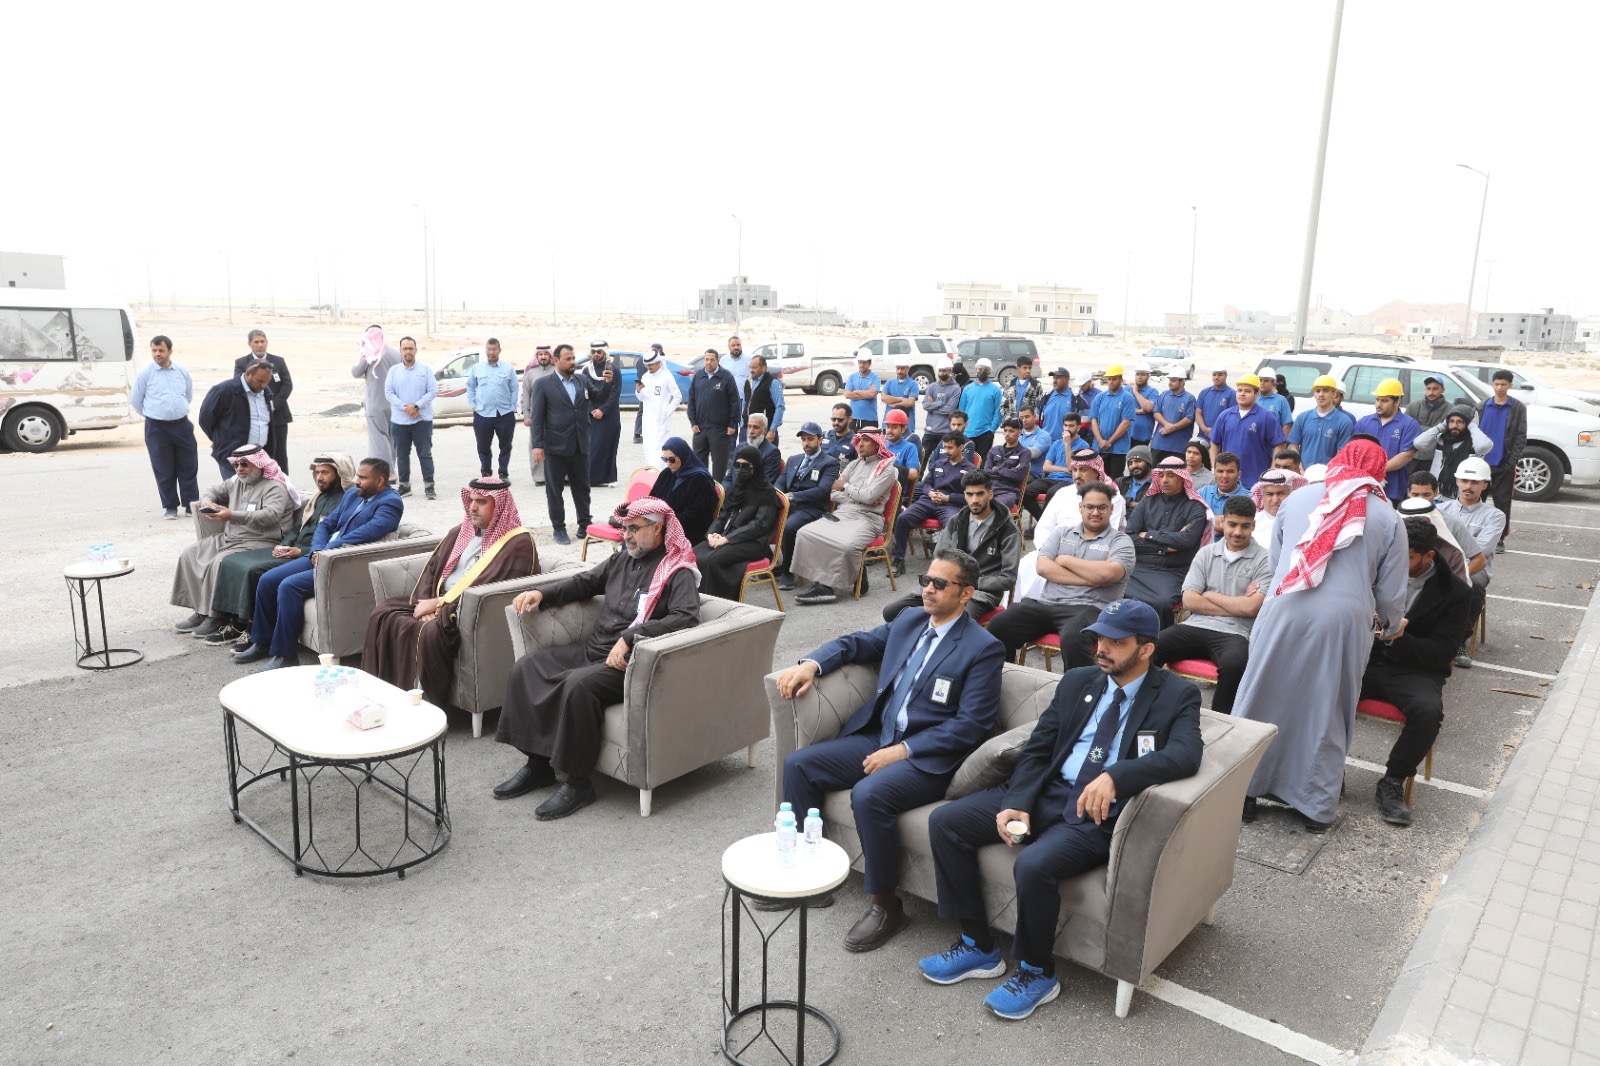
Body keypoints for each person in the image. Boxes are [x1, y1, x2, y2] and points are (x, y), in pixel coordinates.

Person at [919, 598, 1201, 1020]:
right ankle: (978, 946)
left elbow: (1186, 755)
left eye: (1116, 642)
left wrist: (1118, 775)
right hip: (1048, 790)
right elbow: (1039, 748)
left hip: (1098, 812)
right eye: (1099, 638)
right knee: (946, 821)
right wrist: (1018, 802)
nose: (1102, 648)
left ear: (1146, 649)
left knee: (1033, 865)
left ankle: (1038, 972)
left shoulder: (1177, 694)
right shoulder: (1077, 681)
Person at [776, 548, 1006, 952]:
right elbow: (856, 644)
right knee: (798, 765)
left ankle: (886, 905)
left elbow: (971, 725)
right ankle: (806, 875)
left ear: (966, 593)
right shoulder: (909, 620)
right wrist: (811, 664)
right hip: (878, 736)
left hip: (929, 758)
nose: (928, 589)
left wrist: (904, 750)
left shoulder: (983, 648)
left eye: (940, 584)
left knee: (870, 795)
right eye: (925, 580)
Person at [1232, 438, 1409, 832]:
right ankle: (1313, 807)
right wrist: (1391, 625)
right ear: (1379, 470)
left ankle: (1244, 793)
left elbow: (1278, 561)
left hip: (1283, 608)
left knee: (1261, 696)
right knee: (1326, 709)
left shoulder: (1297, 499)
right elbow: (1390, 592)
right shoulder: (1387, 516)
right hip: (1342, 622)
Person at [494, 498, 702, 817]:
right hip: (594, 650)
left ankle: (579, 783)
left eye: (634, 529)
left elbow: (686, 616)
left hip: (631, 663)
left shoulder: (677, 570)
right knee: (527, 668)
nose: (626, 536)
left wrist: (631, 637)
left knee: (579, 686)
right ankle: (538, 765)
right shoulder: (622, 559)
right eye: (624, 529)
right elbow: (586, 582)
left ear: (659, 528)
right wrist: (542, 594)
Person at [362, 478, 538, 705]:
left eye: (481, 502)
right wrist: (425, 601)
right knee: (383, 612)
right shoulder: (460, 532)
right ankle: (383, 693)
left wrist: (440, 604)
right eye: (471, 500)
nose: (472, 507)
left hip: (465, 611)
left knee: (428, 632)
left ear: (500, 506)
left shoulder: (518, 543)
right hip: (439, 602)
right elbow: (432, 569)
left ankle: (423, 704)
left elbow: (492, 586)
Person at [233, 457, 403, 671]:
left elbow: (369, 532)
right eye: (357, 475)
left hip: (343, 564)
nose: (356, 481)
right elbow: (326, 525)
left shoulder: (391, 502)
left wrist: (328, 549)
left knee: (289, 586)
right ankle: (262, 642)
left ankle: (285, 656)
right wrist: (316, 550)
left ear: (380, 481)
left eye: (362, 477)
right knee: (267, 580)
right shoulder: (353, 494)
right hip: (321, 555)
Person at [1360, 519, 1476, 826]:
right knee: (1321, 687)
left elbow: (1442, 652)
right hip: (1366, 660)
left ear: (1429, 555)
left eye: (1408, 557)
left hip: (1413, 670)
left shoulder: (1456, 592)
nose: (1397, 562)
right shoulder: (1375, 571)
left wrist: (1398, 638)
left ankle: (1392, 781)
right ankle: (1324, 768)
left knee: (1427, 712)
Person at [205, 453, 354, 649]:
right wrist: (283, 544)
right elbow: (297, 527)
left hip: (307, 554)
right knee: (232, 561)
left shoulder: (346, 501)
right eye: (317, 473)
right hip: (290, 548)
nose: (319, 477)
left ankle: (250, 630)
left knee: (254, 571)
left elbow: (335, 538)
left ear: (340, 473)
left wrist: (299, 551)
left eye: (325, 473)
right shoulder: (318, 497)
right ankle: (233, 621)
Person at [985, 483, 1136, 668]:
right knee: (999, 624)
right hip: (1047, 603)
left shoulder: (1121, 542)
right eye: (1089, 507)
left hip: (1090, 608)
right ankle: (1001, 676)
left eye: (1102, 507)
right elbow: (1043, 568)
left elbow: (1107, 575)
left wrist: (1065, 560)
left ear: (1111, 509)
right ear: (1081, 507)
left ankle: (1077, 686)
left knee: (1074, 639)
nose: (1095, 512)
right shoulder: (1062, 533)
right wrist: (1092, 578)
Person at [1151, 495, 1270, 713]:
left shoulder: (1264, 559)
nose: (1238, 532)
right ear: (1222, 521)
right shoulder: (1206, 553)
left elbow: (1251, 608)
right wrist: (1238, 603)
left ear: (1253, 525)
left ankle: (1223, 722)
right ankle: (1147, 709)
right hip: (1195, 625)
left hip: (1236, 632)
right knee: (1148, 649)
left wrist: (1210, 595)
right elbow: (1189, 601)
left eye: (1245, 526)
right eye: (1232, 524)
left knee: (1235, 664)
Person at [171, 445, 298, 635]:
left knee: (220, 562)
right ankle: (200, 610)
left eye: (245, 464)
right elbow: (211, 490)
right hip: (231, 538)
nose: (239, 469)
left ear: (259, 464)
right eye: (236, 465)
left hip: (262, 541)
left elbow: (270, 516)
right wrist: (207, 501)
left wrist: (231, 515)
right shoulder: (236, 482)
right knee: (191, 553)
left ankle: (216, 617)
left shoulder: (275, 486)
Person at [882, 470, 1019, 624]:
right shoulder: (957, 521)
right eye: (970, 494)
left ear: (990, 494)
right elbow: (939, 557)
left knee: (953, 621)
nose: (975, 500)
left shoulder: (1008, 530)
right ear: (964, 495)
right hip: (944, 585)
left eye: (980, 494)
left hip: (979, 593)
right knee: (892, 612)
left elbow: (1008, 578)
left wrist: (969, 583)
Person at [792, 428, 898, 604]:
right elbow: (833, 493)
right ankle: (826, 580)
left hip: (868, 518)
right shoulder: (854, 464)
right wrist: (861, 496)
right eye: (859, 440)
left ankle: (828, 586)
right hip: (843, 512)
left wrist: (848, 487)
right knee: (805, 533)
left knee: (846, 545)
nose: (860, 444)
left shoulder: (887, 469)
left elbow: (866, 496)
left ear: (877, 444)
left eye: (866, 440)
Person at [529, 343, 614, 545]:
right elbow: (537, 417)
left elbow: (599, 397)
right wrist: (537, 445)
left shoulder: (581, 380)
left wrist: (607, 384)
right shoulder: (543, 384)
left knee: (582, 488)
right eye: (568, 359)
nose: (572, 362)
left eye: (573, 358)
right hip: (555, 447)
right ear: (556, 360)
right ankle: (559, 528)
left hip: (580, 444)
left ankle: (584, 525)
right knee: (555, 490)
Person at [1123, 456, 1210, 624]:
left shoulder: (1195, 507)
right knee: (1112, 590)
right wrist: (1164, 547)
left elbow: (1187, 541)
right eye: (1161, 475)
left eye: (1170, 475)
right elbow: (1130, 537)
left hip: (1173, 571)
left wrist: (1148, 534)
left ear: (1182, 477)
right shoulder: (1147, 502)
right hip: (1138, 568)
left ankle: (1157, 640)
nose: (1164, 480)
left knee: (1161, 603)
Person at [694, 446, 779, 600]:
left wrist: (727, 539)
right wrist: (711, 534)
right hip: (728, 535)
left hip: (754, 542)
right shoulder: (737, 488)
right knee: (693, 554)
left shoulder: (767, 493)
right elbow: (722, 515)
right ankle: (694, 599)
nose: (741, 470)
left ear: (756, 466)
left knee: (712, 560)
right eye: (738, 465)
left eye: (746, 466)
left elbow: (759, 525)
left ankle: (718, 603)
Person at [131, 334, 200, 519]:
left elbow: (188, 395)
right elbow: (136, 400)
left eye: (161, 350)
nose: (157, 354)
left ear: (170, 351)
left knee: (188, 466)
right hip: (157, 428)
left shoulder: (181, 371)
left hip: (182, 425)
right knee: (163, 468)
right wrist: (155, 414)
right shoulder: (145, 374)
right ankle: (170, 507)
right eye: (154, 350)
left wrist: (175, 411)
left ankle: (190, 505)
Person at [1448, 457, 1505, 668]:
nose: (1468, 486)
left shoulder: (1495, 516)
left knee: (1474, 585)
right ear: (1457, 481)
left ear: (1485, 485)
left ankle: (1460, 641)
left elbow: (1481, 550)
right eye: (1464, 481)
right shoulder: (1442, 508)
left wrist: (1452, 540)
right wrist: (1469, 540)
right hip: (1443, 563)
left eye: (1474, 482)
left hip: (1476, 566)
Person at [890, 434, 975, 576]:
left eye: (950, 448)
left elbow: (970, 496)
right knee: (903, 518)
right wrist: (930, 493)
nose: (946, 451)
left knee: (953, 524)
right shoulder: (938, 464)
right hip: (929, 501)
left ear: (961, 447)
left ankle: (949, 564)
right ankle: (898, 559)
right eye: (945, 447)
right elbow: (926, 484)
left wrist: (948, 498)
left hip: (951, 505)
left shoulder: (970, 470)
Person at [774, 422, 841, 592]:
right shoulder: (794, 459)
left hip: (812, 509)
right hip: (788, 504)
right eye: (803, 439)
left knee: (789, 527)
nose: (806, 443)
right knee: (759, 516)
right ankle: (770, 562)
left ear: (820, 440)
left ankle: (788, 571)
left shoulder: (830, 463)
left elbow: (822, 491)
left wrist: (793, 496)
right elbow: (780, 481)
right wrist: (780, 495)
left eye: (810, 439)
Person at [627, 437, 719, 546]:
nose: (668, 464)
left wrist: (662, 523)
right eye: (665, 459)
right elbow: (652, 499)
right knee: (633, 531)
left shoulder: (700, 479)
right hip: (662, 525)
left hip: (689, 530)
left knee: (642, 536)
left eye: (672, 460)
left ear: (683, 456)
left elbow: (695, 515)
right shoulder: (667, 474)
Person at [197, 361, 278, 481]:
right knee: (238, 490)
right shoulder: (224, 390)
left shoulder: (265, 392)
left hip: (260, 456)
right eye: (260, 381)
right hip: (233, 456)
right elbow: (205, 419)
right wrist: (220, 440)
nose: (263, 385)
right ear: (248, 373)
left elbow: (267, 423)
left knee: (259, 491)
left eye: (267, 382)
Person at [1477, 369, 1527, 552]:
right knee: (1476, 500)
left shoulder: (1517, 408)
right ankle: (1476, 534)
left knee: (1502, 503)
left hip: (1503, 464)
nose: (1499, 387)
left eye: (1503, 384)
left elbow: (1521, 436)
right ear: (1492, 384)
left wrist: (1511, 462)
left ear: (1510, 385)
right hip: (1480, 465)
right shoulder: (1481, 407)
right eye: (1497, 384)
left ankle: (1499, 538)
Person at [1208, 374, 1286, 489]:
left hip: (1255, 482)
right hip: (1228, 481)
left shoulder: (1266, 416)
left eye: (1247, 391)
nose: (1242, 394)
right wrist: (1214, 468)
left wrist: (1273, 469)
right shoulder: (1225, 415)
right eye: (1239, 390)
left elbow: (1280, 443)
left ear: (1256, 394)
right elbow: (1214, 443)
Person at [384, 335, 438, 499]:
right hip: (400, 422)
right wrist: (405, 407)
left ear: (415, 350)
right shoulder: (393, 371)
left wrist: (416, 406)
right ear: (400, 351)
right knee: (401, 455)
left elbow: (432, 391)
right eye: (405, 349)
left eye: (410, 348)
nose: (408, 351)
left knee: (425, 454)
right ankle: (405, 486)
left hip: (422, 420)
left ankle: (429, 486)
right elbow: (389, 393)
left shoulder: (425, 370)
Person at [232, 330, 294, 470]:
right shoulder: (242, 363)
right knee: (253, 456)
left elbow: (287, 385)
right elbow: (238, 387)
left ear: (267, 342)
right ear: (249, 344)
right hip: (253, 419)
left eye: (262, 341)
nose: (259, 345)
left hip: (277, 417)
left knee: (279, 455)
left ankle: (281, 482)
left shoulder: (278, 361)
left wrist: (274, 405)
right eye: (256, 342)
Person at [1353, 379, 1422, 502]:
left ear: (1397, 401)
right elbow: (1354, 452)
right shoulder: (1364, 422)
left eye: (1384, 401)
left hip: (1393, 490)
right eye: (1377, 400)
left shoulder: (1410, 425)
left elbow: (1406, 455)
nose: (1379, 404)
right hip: (1362, 488)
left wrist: (1377, 471)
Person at [465, 337, 518, 481]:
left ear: (499, 350)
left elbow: (514, 388)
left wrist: (512, 407)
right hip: (483, 414)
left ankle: (503, 472)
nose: (491, 352)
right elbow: (470, 386)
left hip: (504, 414)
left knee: (505, 446)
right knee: (483, 446)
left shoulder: (508, 368)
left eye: (494, 349)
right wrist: (473, 403)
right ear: (486, 350)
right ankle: (486, 473)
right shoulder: (477, 368)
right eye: (489, 349)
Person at [1412, 404, 1492, 496]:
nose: (1454, 425)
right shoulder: (1442, 439)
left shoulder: (1474, 442)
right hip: (1437, 493)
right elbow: (1418, 443)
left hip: (1461, 495)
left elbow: (1484, 447)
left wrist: (1473, 426)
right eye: (1451, 421)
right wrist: (1441, 426)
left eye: (1459, 422)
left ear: (1467, 423)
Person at [351, 325, 401, 466]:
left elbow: (355, 372)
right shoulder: (395, 354)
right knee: (392, 438)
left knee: (379, 438)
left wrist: (363, 355)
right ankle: (391, 467)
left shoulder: (370, 354)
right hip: (394, 403)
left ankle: (387, 471)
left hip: (376, 404)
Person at [687, 348, 740, 482]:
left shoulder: (726, 377)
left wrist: (732, 424)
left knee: (719, 465)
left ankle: (718, 491)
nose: (708, 363)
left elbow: (734, 402)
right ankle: (703, 489)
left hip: (720, 430)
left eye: (712, 360)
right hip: (700, 429)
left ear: (718, 361)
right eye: (706, 359)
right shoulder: (698, 376)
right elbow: (691, 400)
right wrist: (693, 422)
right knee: (699, 465)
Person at [1288, 375, 1356, 469]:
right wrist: (1301, 470)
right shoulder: (1302, 417)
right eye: (1318, 391)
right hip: (1302, 472)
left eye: (1326, 391)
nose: (1321, 394)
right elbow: (1293, 446)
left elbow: (1341, 454)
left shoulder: (1344, 422)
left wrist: (1323, 472)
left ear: (1334, 394)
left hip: (1328, 474)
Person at [634, 345, 682, 469]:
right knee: (648, 449)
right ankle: (651, 474)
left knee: (660, 450)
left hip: (661, 420)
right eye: (647, 365)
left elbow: (678, 396)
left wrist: (667, 412)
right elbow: (642, 398)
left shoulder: (666, 377)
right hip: (647, 420)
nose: (649, 367)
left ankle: (660, 474)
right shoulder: (645, 377)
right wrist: (638, 390)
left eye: (651, 365)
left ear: (658, 362)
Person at [1088, 363, 1137, 479]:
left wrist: (1109, 442)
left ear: (1121, 379)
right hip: (1099, 447)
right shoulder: (1100, 397)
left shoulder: (1127, 397)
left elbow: (1126, 422)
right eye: (1109, 379)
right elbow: (1094, 419)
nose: (1111, 382)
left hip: (1118, 449)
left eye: (1114, 379)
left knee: (1115, 480)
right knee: (1099, 479)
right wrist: (1100, 441)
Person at [584, 341, 622, 486]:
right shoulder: (587, 370)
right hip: (591, 415)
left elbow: (615, 393)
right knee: (592, 448)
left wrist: (602, 410)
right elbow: (584, 392)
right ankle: (592, 479)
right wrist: (592, 409)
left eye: (599, 352)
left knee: (607, 447)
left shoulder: (614, 370)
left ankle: (608, 478)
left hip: (609, 415)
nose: (596, 354)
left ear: (605, 352)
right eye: (594, 351)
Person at [519, 345, 557, 484]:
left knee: (558, 445)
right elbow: (526, 395)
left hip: (556, 415)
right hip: (537, 417)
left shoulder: (557, 370)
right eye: (540, 354)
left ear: (550, 355)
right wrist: (527, 416)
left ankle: (561, 476)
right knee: (536, 445)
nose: (543, 357)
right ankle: (540, 477)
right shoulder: (531, 373)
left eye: (546, 354)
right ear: (536, 356)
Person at [1248, 467, 1306, 549]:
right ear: (1262, 496)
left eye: (1280, 493)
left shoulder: (1304, 520)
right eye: (1269, 494)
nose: (1275, 500)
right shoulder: (1252, 522)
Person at [1150, 369, 1196, 465]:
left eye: (1173, 380)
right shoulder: (1164, 395)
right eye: (1170, 380)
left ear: (1182, 381)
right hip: (1159, 445)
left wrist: (1172, 428)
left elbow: (1188, 419)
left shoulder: (1189, 398)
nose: (1170, 383)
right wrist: (1167, 425)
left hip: (1178, 447)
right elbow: (1156, 412)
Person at [960, 358, 1004, 457]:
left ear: (989, 372)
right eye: (980, 369)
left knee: (982, 462)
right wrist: (962, 428)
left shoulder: (995, 390)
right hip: (968, 432)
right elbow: (962, 410)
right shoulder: (967, 389)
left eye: (985, 370)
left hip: (985, 432)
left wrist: (992, 429)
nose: (982, 371)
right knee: (967, 461)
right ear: (976, 370)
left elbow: (998, 411)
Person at [985, 417, 1031, 512]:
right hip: (989, 488)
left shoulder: (1024, 452)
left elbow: (1018, 476)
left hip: (1008, 491)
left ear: (1019, 432)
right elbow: (986, 472)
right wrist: (1010, 471)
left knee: (995, 508)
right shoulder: (994, 450)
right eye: (1005, 430)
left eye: (1011, 431)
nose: (1007, 434)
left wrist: (996, 469)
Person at [921, 362, 963, 463]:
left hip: (946, 433)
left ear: (950, 371)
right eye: (940, 370)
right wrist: (941, 403)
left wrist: (933, 405)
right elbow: (925, 405)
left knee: (943, 463)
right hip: (929, 432)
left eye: (944, 371)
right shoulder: (932, 387)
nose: (941, 373)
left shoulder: (956, 388)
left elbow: (949, 409)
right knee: (922, 460)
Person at [726, 412, 782, 485]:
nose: (751, 431)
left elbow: (765, 483)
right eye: (749, 427)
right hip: (734, 490)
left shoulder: (772, 452)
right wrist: (724, 490)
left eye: (756, 427)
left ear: (765, 430)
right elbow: (729, 477)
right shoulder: (740, 447)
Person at [882, 409, 923, 503]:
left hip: (895, 493)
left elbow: (913, 474)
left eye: (894, 427)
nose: (890, 430)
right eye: (888, 427)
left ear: (903, 429)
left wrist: (888, 466)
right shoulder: (881, 444)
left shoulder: (910, 447)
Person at [742, 354, 785, 443]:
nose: (751, 370)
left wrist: (772, 430)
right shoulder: (748, 381)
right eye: (750, 367)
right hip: (748, 430)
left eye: (754, 368)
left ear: (764, 368)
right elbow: (745, 403)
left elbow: (780, 407)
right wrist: (742, 423)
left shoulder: (772, 383)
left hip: (765, 431)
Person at [1198, 451, 1248, 527]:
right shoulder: (1202, 493)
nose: (1224, 476)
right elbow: (1190, 520)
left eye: (1230, 471)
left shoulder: (1249, 499)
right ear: (1214, 473)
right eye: (1220, 471)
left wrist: (1203, 522)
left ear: (1239, 474)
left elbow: (1237, 528)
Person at [1194, 367, 1235, 447]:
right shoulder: (1204, 392)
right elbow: (1198, 413)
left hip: (1222, 438)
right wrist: (1204, 429)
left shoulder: (1232, 394)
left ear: (1226, 375)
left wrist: (1215, 432)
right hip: (1203, 436)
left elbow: (1232, 418)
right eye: (1214, 375)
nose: (1216, 377)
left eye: (1220, 375)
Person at [881, 355, 920, 437]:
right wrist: (901, 399)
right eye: (898, 368)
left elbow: (910, 402)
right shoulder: (889, 382)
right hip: (889, 424)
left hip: (907, 426)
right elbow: (883, 398)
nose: (900, 371)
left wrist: (893, 404)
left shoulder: (913, 384)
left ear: (908, 369)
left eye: (902, 368)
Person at [723, 336, 752, 440]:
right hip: (729, 402)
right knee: (730, 433)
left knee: (745, 433)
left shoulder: (749, 359)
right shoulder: (723, 360)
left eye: (738, 345)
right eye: (733, 345)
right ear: (729, 347)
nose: (736, 347)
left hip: (745, 401)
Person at [1039, 368, 1076, 447]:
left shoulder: (1075, 399)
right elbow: (1038, 417)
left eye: (1058, 378)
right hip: (1044, 443)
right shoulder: (1047, 397)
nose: (1055, 381)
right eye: (1054, 377)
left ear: (1066, 379)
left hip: (1064, 444)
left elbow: (1082, 426)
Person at [1127, 363, 1160, 450]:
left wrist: (1136, 392)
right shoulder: (1126, 390)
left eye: (1143, 374)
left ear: (1148, 376)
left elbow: (1148, 408)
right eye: (1137, 374)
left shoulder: (1153, 391)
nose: (1139, 377)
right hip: (1126, 434)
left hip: (1142, 436)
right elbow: (1120, 409)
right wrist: (1140, 411)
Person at [845, 354, 882, 431]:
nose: (862, 365)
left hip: (870, 419)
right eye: (860, 362)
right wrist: (867, 394)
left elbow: (872, 394)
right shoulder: (852, 377)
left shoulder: (876, 377)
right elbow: (847, 394)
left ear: (869, 364)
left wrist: (856, 391)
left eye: (864, 363)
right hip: (853, 418)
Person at [1001, 356, 1043, 422]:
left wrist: (1032, 419)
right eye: (1025, 368)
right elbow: (1003, 405)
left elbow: (1039, 406)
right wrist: (1008, 419)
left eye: (1029, 368)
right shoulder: (1009, 384)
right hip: (1012, 423)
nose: (1028, 371)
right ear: (1018, 368)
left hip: (1028, 424)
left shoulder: (1036, 385)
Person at [1018, 406, 1051, 485]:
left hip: (1034, 475)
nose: (1024, 420)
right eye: (1021, 418)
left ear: (1034, 416)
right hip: (1017, 471)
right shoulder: (1018, 433)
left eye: (1027, 417)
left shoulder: (1044, 435)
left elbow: (1034, 453)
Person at [1115, 446, 1154, 511]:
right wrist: (1130, 503)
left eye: (1138, 461)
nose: (1134, 466)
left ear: (1148, 462)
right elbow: (1109, 498)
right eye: (1130, 463)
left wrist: (1122, 501)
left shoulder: (1156, 485)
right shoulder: (1121, 482)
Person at [820, 404, 858, 468]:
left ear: (850, 419)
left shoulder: (856, 441)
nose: (836, 423)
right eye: (833, 419)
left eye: (840, 420)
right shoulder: (824, 436)